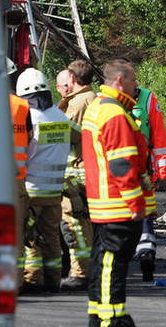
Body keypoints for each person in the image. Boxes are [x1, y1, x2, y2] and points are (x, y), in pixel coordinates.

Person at [82, 58, 155, 327]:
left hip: (104, 203)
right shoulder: (115, 115)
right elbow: (122, 165)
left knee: (102, 263)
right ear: (121, 81)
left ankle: (99, 315)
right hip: (119, 205)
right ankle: (111, 319)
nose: (137, 87)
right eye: (134, 81)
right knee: (113, 266)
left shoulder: (98, 107)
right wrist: (137, 205)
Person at [17, 68, 74, 294]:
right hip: (54, 191)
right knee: (51, 238)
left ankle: (33, 281)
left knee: (29, 239)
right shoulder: (60, 116)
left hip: (32, 190)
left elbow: (25, 151)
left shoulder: (29, 118)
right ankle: (53, 280)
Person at [55, 60, 97, 291]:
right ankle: (84, 269)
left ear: (71, 79)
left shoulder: (79, 102)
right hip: (86, 171)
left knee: (75, 225)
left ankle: (81, 273)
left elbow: (64, 132)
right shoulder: (93, 98)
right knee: (86, 225)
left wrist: (42, 121)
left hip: (76, 173)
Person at [130, 82, 166, 282]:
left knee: (144, 211)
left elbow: (159, 136)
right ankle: (142, 251)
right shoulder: (106, 102)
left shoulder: (147, 98)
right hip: (123, 171)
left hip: (142, 170)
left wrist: (163, 171)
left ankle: (145, 254)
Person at [7, 58, 33, 292]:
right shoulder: (23, 107)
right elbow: (31, 139)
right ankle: (13, 281)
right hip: (16, 180)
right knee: (15, 232)